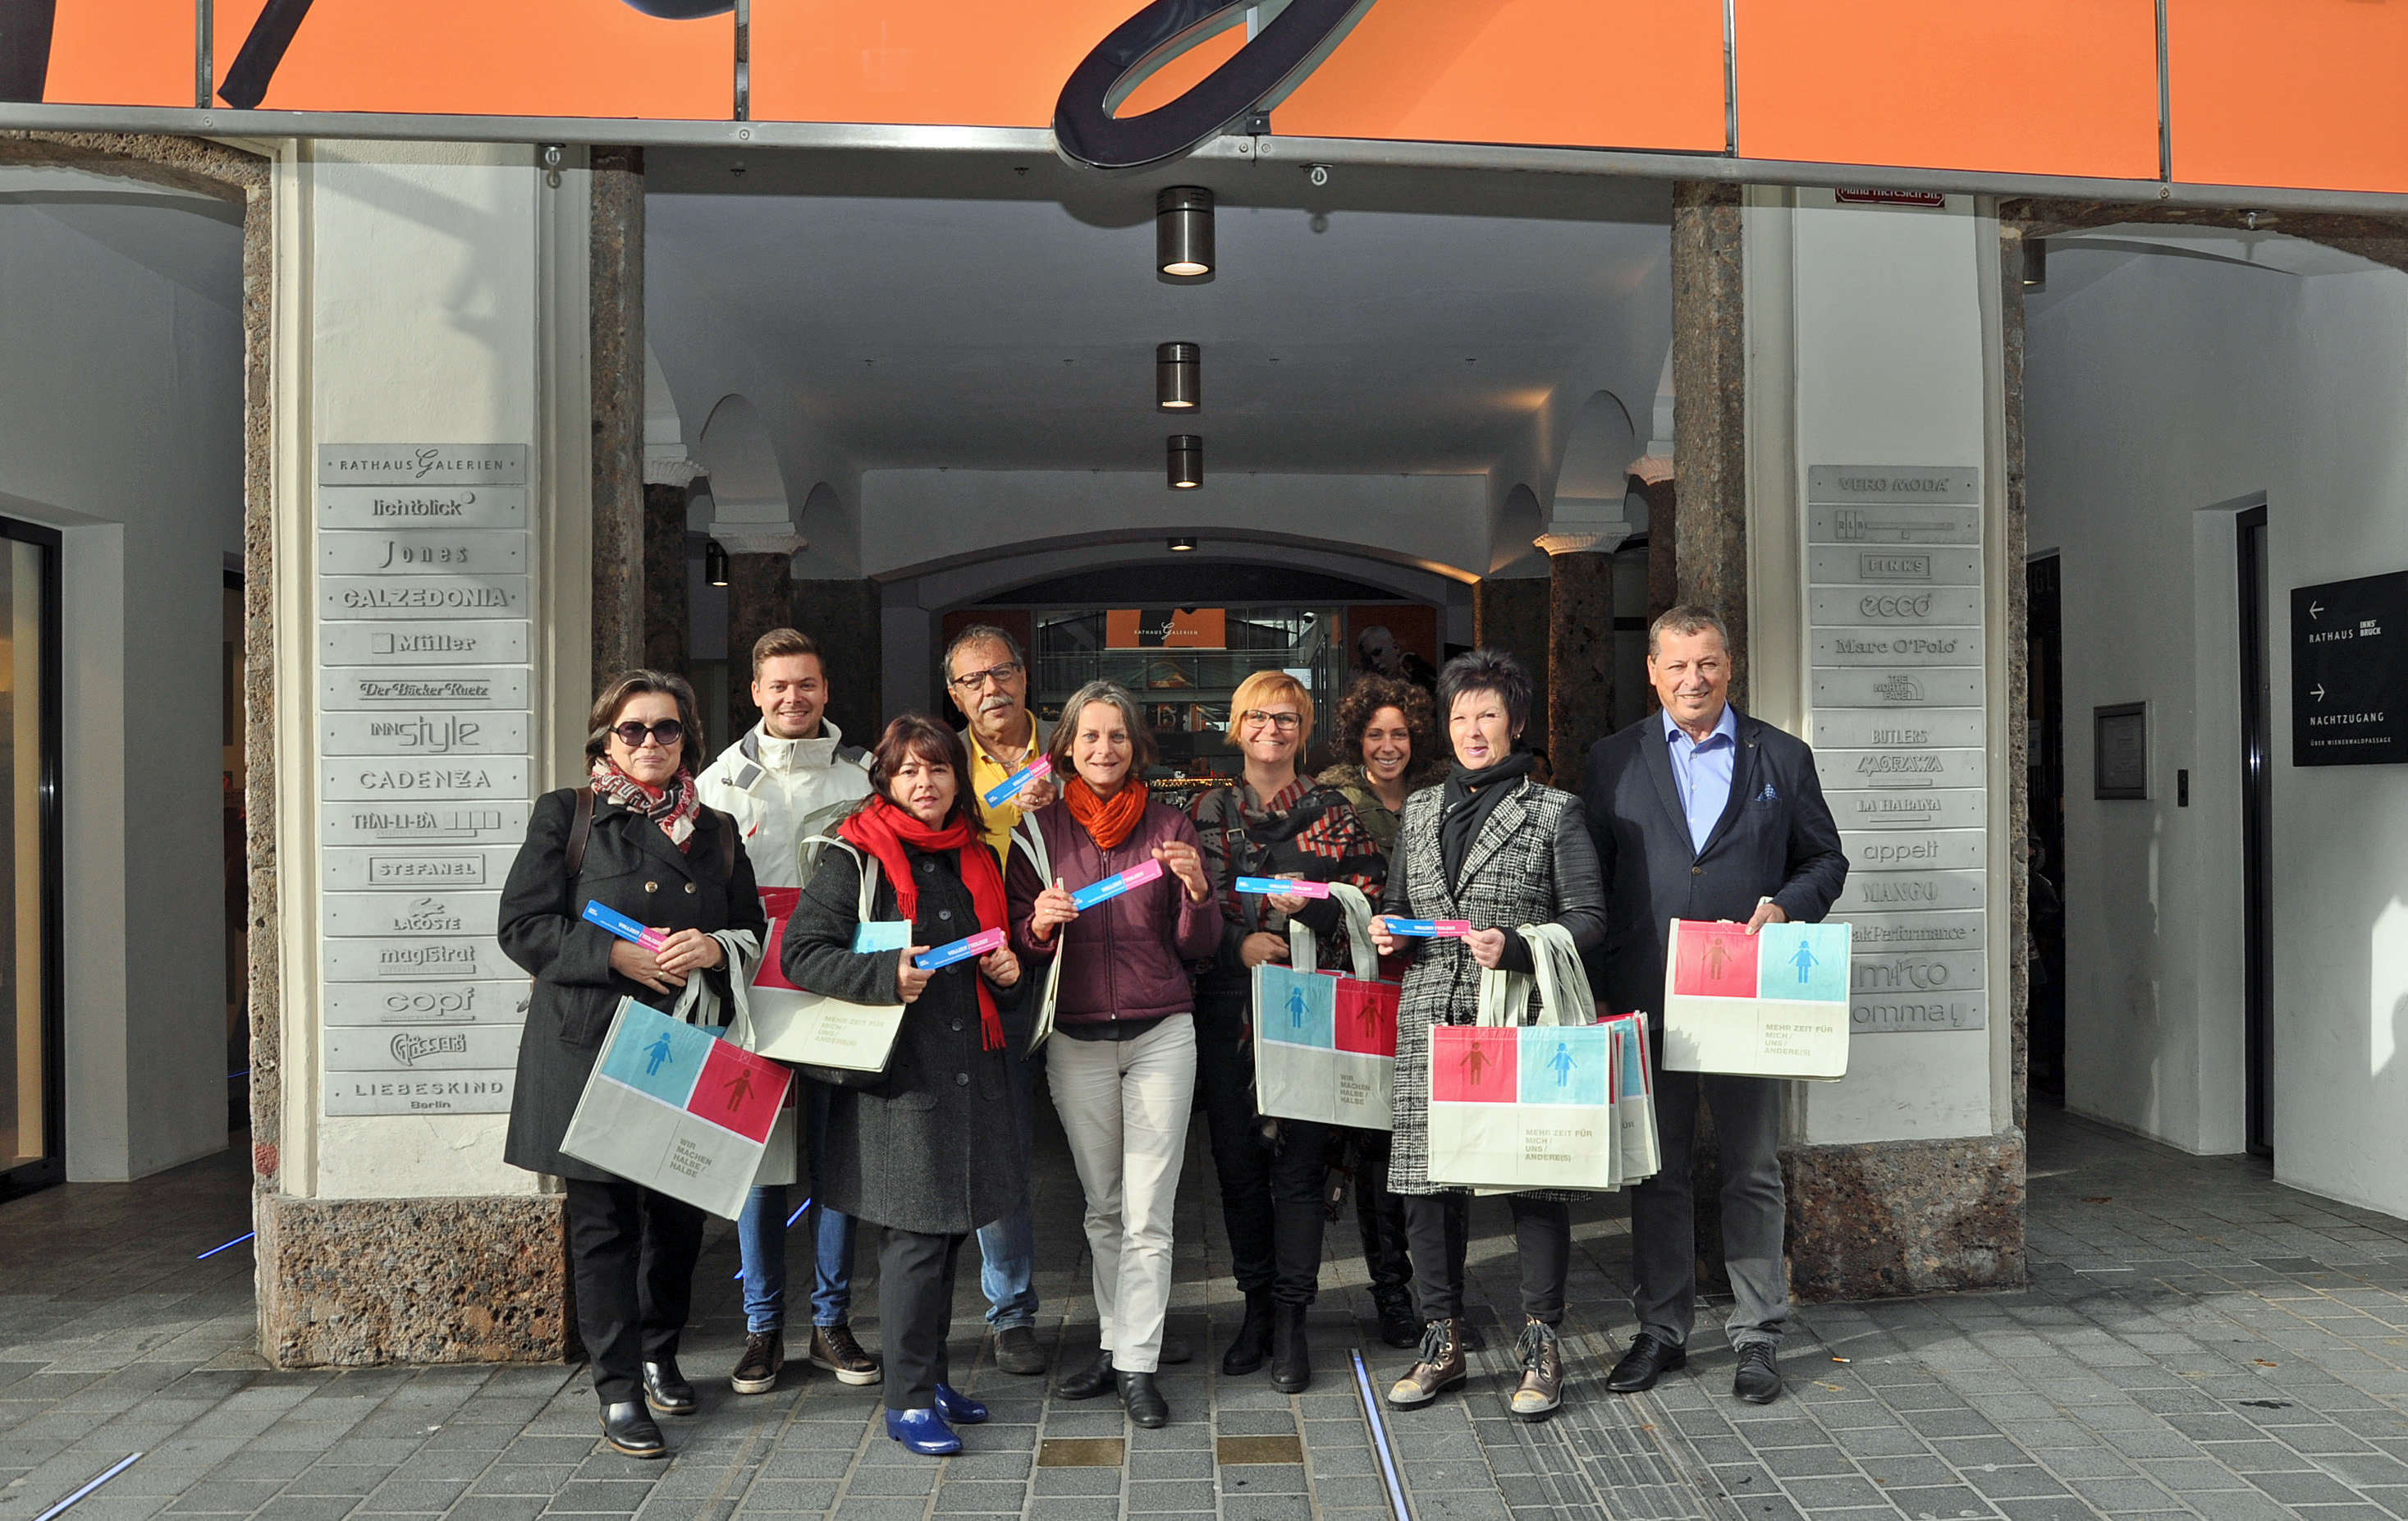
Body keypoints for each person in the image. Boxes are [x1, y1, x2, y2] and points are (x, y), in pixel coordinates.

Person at [1579, 605, 1847, 1407]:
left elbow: (1826, 858)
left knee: (1752, 1166)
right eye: (1677, 664)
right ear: (1653, 672)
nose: (1693, 678)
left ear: (1730, 667)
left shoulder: (1783, 756)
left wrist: (1788, 906)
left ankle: (1758, 1331)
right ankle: (1661, 1328)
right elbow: (1588, 877)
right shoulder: (1611, 759)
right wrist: (1589, 983)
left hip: (1744, 996)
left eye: (1708, 662)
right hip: (1646, 990)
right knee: (1656, 1169)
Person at [498, 671, 766, 1459]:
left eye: (668, 729)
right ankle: (617, 1387)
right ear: (604, 741)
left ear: (689, 740)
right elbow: (522, 926)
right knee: (604, 1225)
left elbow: (750, 923)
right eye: (633, 730)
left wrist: (715, 947)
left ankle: (660, 1350)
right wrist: (614, 953)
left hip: (686, 1047)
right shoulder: (569, 814)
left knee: (680, 1220)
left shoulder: (716, 829)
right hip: (592, 1043)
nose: (651, 742)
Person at [780, 715, 1028, 1456]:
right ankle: (908, 1399)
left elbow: (996, 956)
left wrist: (1011, 976)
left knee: (949, 1233)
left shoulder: (973, 853)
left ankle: (933, 1374)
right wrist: (881, 976)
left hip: (969, 1076)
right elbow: (802, 954)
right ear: (885, 779)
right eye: (910, 771)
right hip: (897, 1082)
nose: (926, 783)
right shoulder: (854, 854)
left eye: (940, 769)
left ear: (959, 778)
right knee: (915, 1241)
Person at [1368, 648, 1606, 1421]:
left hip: (1520, 1011)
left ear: (1517, 722)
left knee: (1531, 1178)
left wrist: (1521, 941)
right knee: (1427, 1184)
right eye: (1461, 715)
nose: (1473, 730)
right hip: (1430, 1008)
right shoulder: (1420, 808)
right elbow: (1406, 907)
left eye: (1489, 715)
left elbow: (1590, 921)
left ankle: (1542, 1341)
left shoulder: (1554, 810)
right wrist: (1387, 934)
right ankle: (1443, 1338)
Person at [1005, 680, 1220, 1427]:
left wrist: (1196, 893)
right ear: (1065, 746)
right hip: (1077, 1037)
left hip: (1163, 1031)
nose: (1104, 749)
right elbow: (1021, 948)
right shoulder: (1038, 831)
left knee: (1149, 1213)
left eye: (1118, 737)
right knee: (1103, 1206)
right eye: (1090, 737)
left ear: (1137, 747)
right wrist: (1037, 924)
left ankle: (1136, 1362)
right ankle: (1116, 1338)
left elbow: (1202, 945)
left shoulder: (1171, 824)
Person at [694, 629, 880, 1395]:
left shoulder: (864, 779)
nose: (793, 697)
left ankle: (831, 1323)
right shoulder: (719, 781)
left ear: (826, 690)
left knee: (838, 1155)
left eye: (806, 684)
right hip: (748, 983)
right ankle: (762, 1327)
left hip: (834, 977)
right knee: (761, 1162)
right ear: (756, 692)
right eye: (779, 685)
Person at [1189, 671, 1386, 1394]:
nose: (1272, 729)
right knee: (1238, 1171)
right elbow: (1189, 905)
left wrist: (1309, 915)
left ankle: (1294, 1320)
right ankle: (1256, 1311)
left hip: (1310, 1017)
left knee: (1300, 1174)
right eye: (1258, 717)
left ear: (1304, 732)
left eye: (1288, 719)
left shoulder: (1334, 810)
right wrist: (1237, 942)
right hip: (1229, 1015)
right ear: (1236, 725)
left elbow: (1372, 902)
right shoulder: (1208, 808)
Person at [1315, 674, 1449, 1352]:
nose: (1389, 745)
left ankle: (1439, 1296)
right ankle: (1392, 1293)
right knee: (1375, 1149)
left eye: (1399, 733)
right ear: (1356, 740)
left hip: (1435, 985)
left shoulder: (1447, 796)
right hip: (1366, 988)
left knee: (1434, 1144)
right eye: (1376, 734)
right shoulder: (1332, 803)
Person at [941, 623, 1055, 1377]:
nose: (991, 689)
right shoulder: (942, 761)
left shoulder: (1076, 742)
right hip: (995, 968)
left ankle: (1127, 1308)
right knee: (998, 1141)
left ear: (1023, 675)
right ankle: (1009, 1310)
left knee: (1105, 1146)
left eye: (1002, 672)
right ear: (953, 692)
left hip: (1082, 960)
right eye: (973, 680)